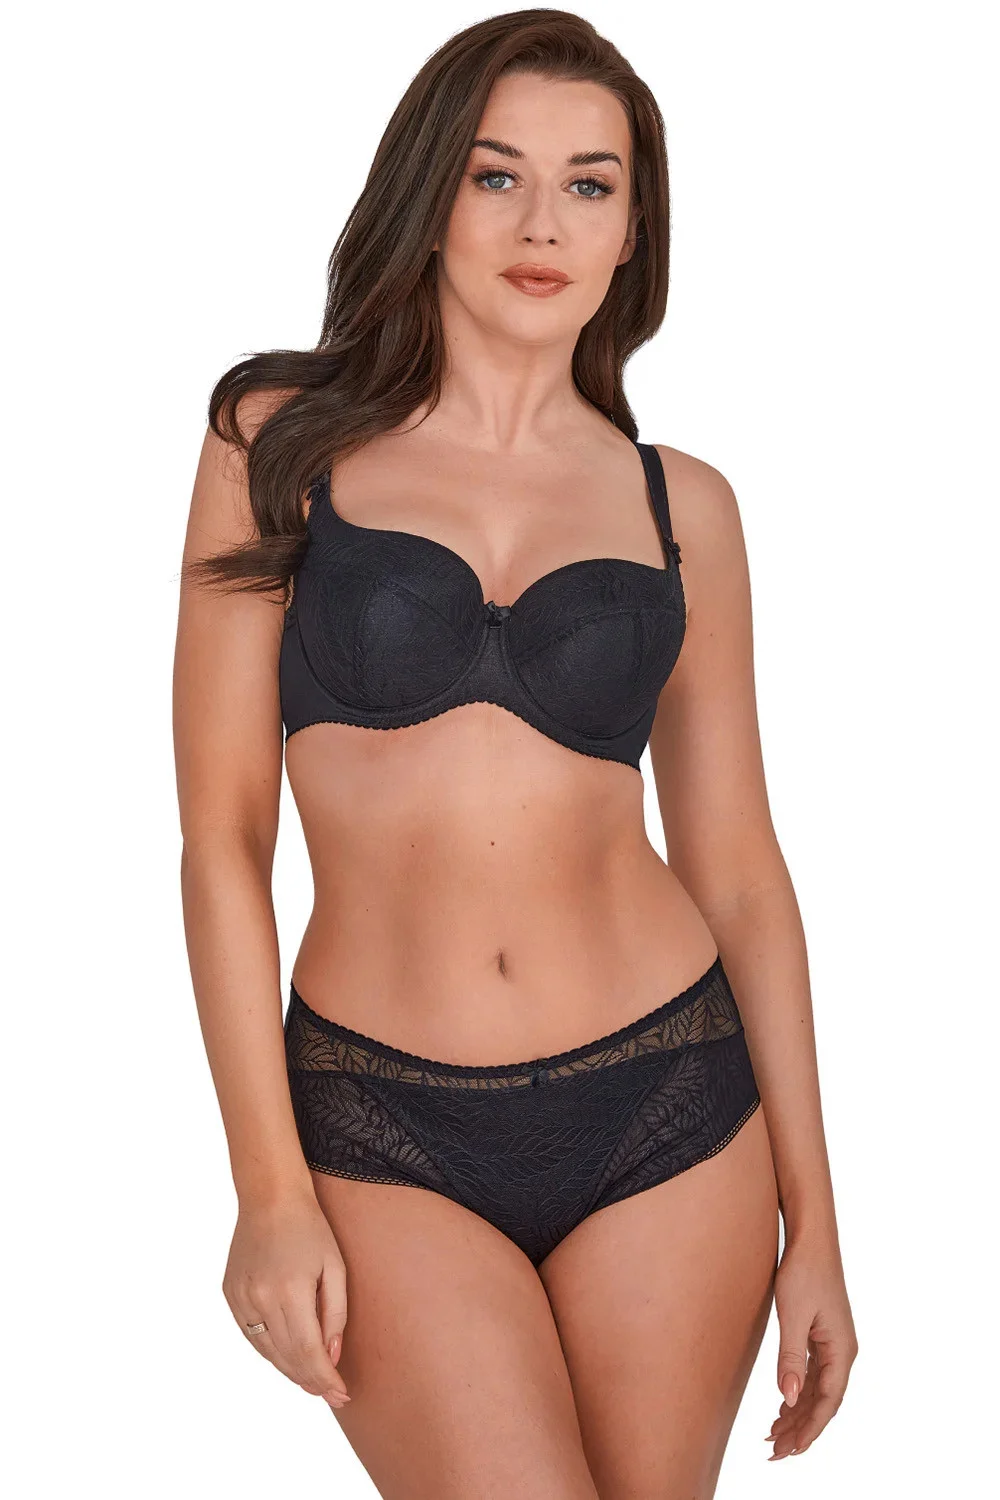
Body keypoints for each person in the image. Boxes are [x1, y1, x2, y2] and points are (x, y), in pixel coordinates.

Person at [173, 10, 857, 1496]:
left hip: (670, 1101)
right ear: (431, 198)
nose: (544, 224)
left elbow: (739, 870)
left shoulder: (683, 507)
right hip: (380, 1117)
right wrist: (267, 1188)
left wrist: (817, 1221)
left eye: (589, 185)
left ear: (632, 234)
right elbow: (224, 838)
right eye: (497, 176)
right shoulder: (276, 444)